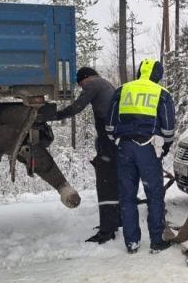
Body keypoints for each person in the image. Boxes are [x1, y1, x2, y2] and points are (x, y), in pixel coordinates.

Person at [107, 58, 176, 254]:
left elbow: (110, 124)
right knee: (154, 195)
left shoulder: (122, 90)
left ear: (139, 72)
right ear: (158, 75)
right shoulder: (161, 93)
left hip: (124, 148)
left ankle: (132, 242)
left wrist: (118, 141)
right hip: (149, 148)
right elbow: (169, 128)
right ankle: (156, 241)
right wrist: (165, 147)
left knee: (127, 195)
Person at [54, 67, 120, 244]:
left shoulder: (93, 84)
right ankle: (114, 221)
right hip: (113, 137)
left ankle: (107, 231)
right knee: (112, 180)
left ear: (85, 78)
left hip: (109, 138)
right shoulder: (105, 84)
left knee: (105, 183)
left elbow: (77, 106)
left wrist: (56, 115)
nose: (82, 87)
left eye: (80, 84)